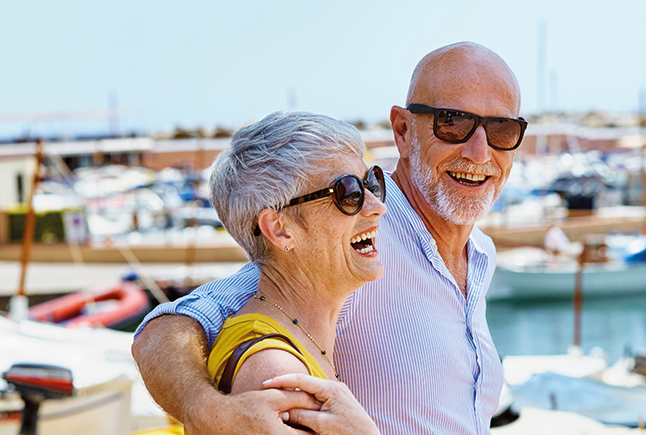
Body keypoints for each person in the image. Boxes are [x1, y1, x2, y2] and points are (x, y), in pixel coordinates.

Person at [132, 41, 527, 435]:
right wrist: (203, 410)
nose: (479, 152)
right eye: (454, 123)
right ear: (403, 131)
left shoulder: (480, 255)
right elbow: (170, 327)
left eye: (502, 130)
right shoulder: (355, 242)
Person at [201, 110, 385, 433]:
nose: (376, 205)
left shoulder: (295, 338)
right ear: (280, 228)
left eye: (371, 183)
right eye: (348, 193)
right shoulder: (276, 371)